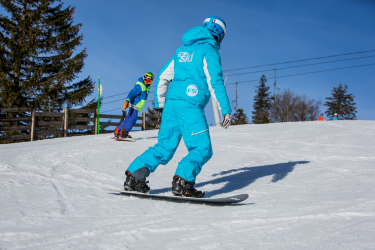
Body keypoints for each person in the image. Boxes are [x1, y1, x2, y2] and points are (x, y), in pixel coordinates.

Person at [123, 16, 232, 198]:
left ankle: (134, 177)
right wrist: (226, 110)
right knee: (202, 148)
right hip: (190, 106)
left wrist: (160, 104)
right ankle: (183, 182)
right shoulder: (209, 52)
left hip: (171, 106)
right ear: (219, 35)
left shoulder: (182, 51)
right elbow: (216, 82)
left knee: (164, 147)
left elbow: (163, 76)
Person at [114, 72, 154, 138]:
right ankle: (124, 132)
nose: (147, 82)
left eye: (149, 81)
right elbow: (132, 92)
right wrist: (127, 100)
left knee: (128, 119)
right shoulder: (140, 85)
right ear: (144, 78)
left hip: (134, 104)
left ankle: (118, 130)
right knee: (133, 119)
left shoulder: (147, 87)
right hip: (135, 104)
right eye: (146, 80)